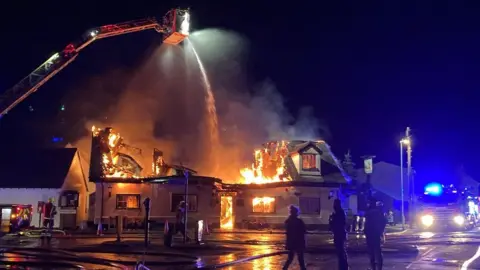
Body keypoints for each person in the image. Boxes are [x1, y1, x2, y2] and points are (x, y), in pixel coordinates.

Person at [364, 198, 387, 270]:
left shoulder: (369, 212)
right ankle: (379, 268)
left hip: (370, 234)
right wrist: (380, 231)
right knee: (378, 252)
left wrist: (366, 231)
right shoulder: (379, 212)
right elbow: (384, 222)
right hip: (376, 234)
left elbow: (366, 224)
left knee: (372, 253)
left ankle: (373, 267)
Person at [283, 205, 307, 270]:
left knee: (290, 258)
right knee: (300, 258)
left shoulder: (288, 221)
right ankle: (303, 269)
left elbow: (288, 233)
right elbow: (304, 231)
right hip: (299, 242)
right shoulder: (299, 221)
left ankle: (284, 268)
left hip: (291, 242)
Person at [329, 199, 349, 270]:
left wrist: (332, 219)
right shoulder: (338, 213)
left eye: (335, 204)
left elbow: (338, 224)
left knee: (341, 252)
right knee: (341, 251)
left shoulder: (339, 213)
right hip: (339, 234)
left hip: (339, 234)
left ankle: (343, 267)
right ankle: (343, 266)